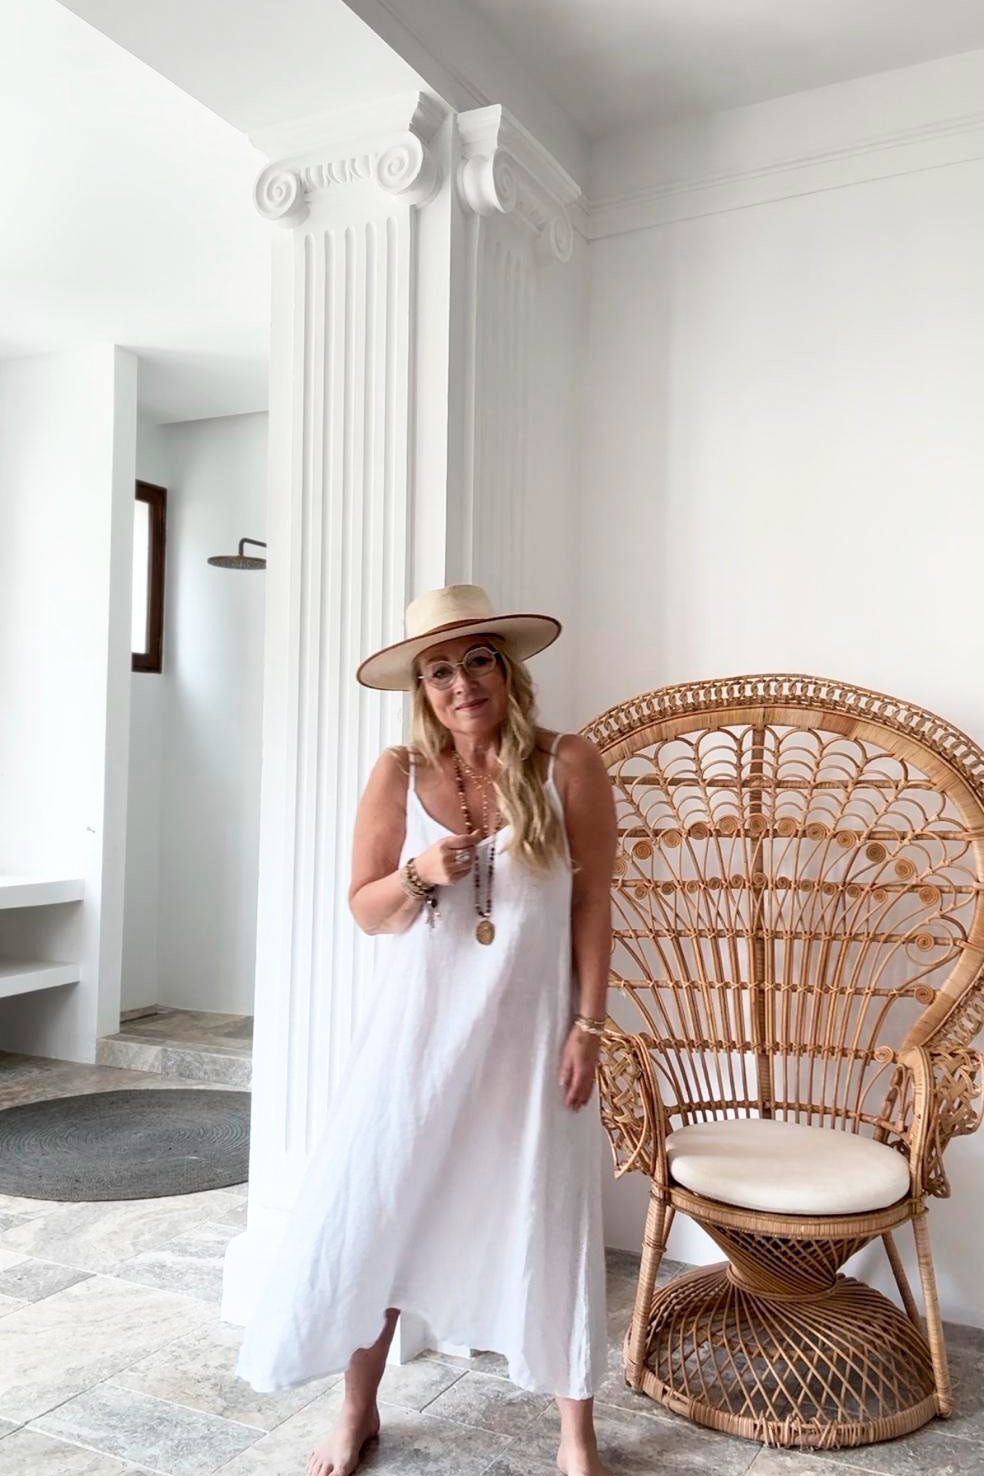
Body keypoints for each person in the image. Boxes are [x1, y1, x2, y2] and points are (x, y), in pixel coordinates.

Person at [234, 583, 618, 1476]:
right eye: (439, 671)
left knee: (552, 1215)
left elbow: (595, 903)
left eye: (478, 660)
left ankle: (577, 1437)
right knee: (383, 1209)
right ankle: (357, 1411)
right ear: (423, 689)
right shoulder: (399, 773)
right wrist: (418, 874)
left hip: (531, 1040)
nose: (461, 683)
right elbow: (366, 910)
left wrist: (589, 1027)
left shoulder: (568, 762)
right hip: (414, 1042)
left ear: (506, 670)